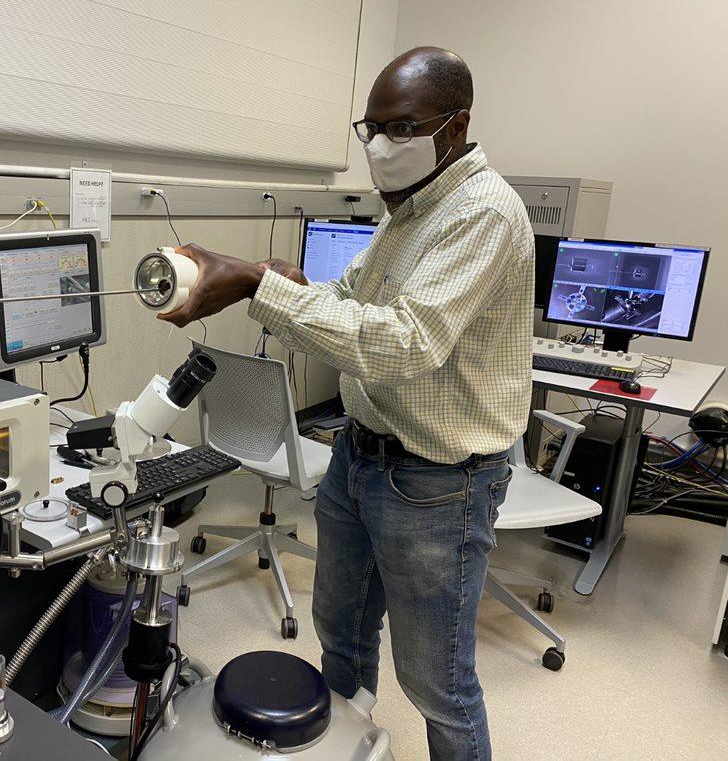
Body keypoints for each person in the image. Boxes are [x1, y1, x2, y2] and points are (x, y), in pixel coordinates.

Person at [158, 46, 534, 760]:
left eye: (402, 127)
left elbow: (403, 344)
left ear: (455, 126)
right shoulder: (409, 208)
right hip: (358, 460)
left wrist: (255, 287)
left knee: (438, 685)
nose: (382, 146)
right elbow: (351, 298)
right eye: (373, 128)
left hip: (438, 484)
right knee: (341, 637)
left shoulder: (483, 214)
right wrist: (284, 285)